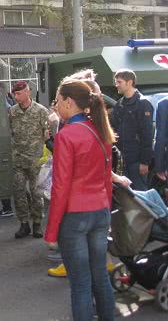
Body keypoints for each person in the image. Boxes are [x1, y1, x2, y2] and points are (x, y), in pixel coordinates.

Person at [44, 79, 116, 321]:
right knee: (100, 277)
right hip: (100, 211)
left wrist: (52, 230)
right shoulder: (101, 129)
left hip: (75, 217)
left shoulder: (67, 135)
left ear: (69, 101)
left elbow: (60, 187)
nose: (56, 106)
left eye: (57, 100)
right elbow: (107, 179)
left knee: (81, 284)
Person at [9, 80, 49, 239]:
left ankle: (37, 223)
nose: (16, 97)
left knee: (36, 193)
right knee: (19, 192)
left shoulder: (41, 111)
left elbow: (47, 134)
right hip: (18, 159)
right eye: (15, 94)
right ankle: (24, 223)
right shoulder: (12, 112)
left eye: (19, 93)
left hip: (35, 159)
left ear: (28, 92)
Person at [111, 69, 154, 191]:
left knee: (141, 198)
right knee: (125, 199)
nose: (116, 85)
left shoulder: (143, 103)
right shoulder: (119, 105)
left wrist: (145, 162)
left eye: (119, 82)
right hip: (122, 161)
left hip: (137, 162)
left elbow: (147, 134)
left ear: (129, 82)